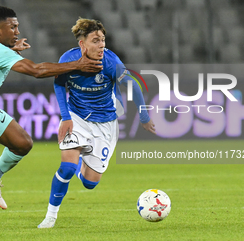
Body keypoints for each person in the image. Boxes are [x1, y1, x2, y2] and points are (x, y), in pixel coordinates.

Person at [0, 6, 102, 226]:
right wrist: (77, 65)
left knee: (22, 143)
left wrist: (12, 48)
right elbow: (37, 70)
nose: (17, 31)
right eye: (12, 27)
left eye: (17, 26)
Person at [38, 18, 156, 228]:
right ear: (82, 44)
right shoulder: (69, 59)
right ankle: (50, 217)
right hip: (76, 117)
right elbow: (58, 85)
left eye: (103, 40)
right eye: (95, 40)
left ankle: (80, 164)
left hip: (106, 123)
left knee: (90, 183)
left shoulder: (111, 62)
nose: (101, 45)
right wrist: (65, 117)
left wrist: (144, 116)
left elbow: (133, 86)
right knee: (65, 168)